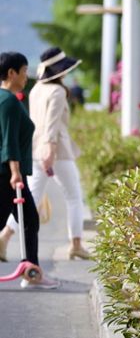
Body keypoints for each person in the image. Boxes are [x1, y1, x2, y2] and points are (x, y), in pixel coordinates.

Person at [0, 48, 90, 262]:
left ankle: (4, 238)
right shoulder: (58, 92)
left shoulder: (37, 89)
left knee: (29, 201)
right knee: (74, 196)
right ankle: (76, 244)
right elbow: (51, 124)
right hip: (56, 150)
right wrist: (49, 149)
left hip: (34, 149)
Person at [0, 52, 59, 289]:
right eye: (24, 71)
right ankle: (32, 273)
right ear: (11, 73)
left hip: (8, 173)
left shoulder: (5, 99)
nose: (27, 76)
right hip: (8, 175)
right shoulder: (9, 102)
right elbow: (9, 141)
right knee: (29, 221)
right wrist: (15, 172)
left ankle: (32, 272)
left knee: (29, 221)